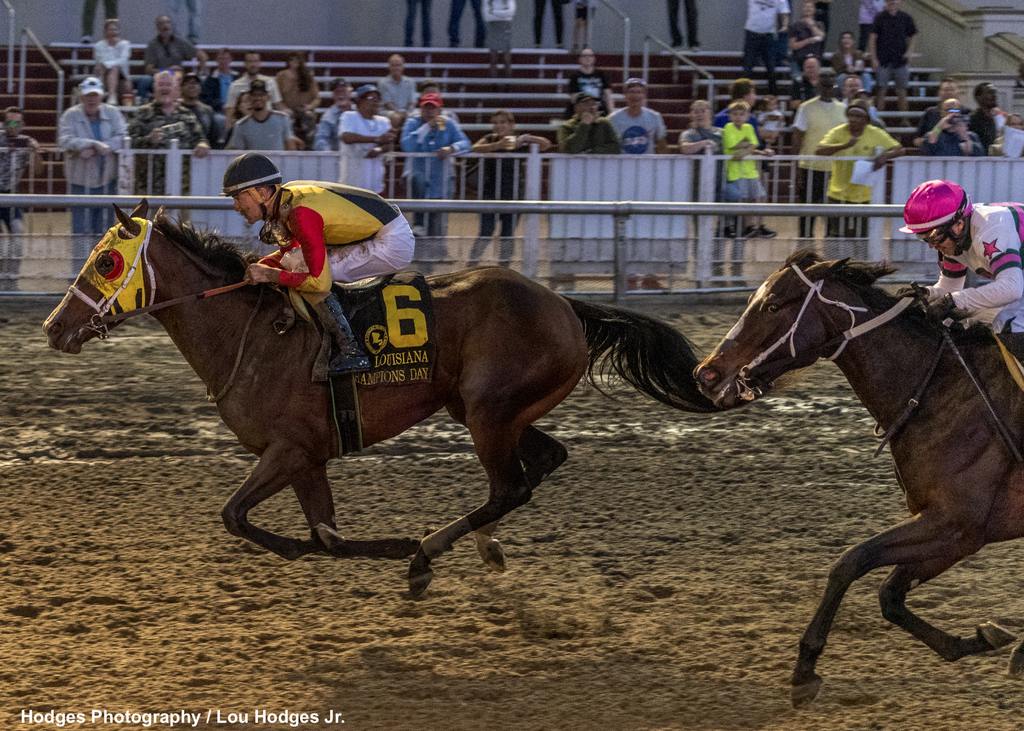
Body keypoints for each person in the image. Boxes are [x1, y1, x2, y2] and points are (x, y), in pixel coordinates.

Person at [223, 153, 416, 375]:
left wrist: (270, 275)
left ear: (263, 192)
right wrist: (265, 264)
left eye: (238, 197)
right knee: (295, 265)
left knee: (305, 275)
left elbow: (318, 282)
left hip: (391, 243)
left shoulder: (300, 213)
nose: (236, 206)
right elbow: (292, 251)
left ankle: (352, 351)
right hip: (380, 230)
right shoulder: (287, 197)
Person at [899, 179, 1024, 349]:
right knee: (966, 320)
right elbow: (951, 287)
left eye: (934, 235)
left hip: (1016, 284)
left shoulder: (992, 230)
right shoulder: (954, 241)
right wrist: (927, 293)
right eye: (923, 237)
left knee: (1009, 324)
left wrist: (952, 301)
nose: (931, 244)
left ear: (958, 224)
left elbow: (1012, 288)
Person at [467, 109, 551, 266]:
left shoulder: (518, 142)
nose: (499, 126)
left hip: (513, 194)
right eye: (496, 123)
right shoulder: (490, 138)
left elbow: (546, 144)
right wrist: (498, 145)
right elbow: (475, 148)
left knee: (507, 234)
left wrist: (528, 138)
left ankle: (504, 268)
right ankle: (471, 264)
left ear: (511, 125)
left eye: (503, 122)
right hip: (490, 193)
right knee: (486, 232)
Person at [59, 77, 127, 269]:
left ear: (101, 96)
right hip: (79, 180)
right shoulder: (70, 115)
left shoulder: (113, 113)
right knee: (80, 230)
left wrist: (102, 147)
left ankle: (102, 271)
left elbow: (123, 136)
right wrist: (90, 144)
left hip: (107, 179)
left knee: (105, 229)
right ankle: (78, 271)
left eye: (95, 95)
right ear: (81, 96)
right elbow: (64, 140)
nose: (92, 99)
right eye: (88, 96)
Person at [815, 98, 903, 238]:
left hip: (864, 194)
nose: (853, 119)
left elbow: (899, 149)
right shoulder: (838, 132)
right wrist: (844, 145)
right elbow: (819, 151)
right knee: (835, 234)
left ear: (866, 119)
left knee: (862, 235)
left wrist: (885, 156)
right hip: (838, 192)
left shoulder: (875, 133)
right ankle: (834, 260)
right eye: (851, 115)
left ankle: (860, 259)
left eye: (858, 116)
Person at [400, 92, 471, 238]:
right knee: (417, 181)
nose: (429, 111)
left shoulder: (448, 123)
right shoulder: (412, 123)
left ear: (439, 110)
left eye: (433, 108)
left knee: (436, 224)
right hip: (418, 178)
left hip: (440, 181)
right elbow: (407, 146)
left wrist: (452, 148)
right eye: (426, 107)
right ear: (420, 109)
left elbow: (466, 143)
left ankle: (434, 255)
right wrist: (426, 127)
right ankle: (418, 225)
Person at [128, 71, 210, 195]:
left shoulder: (187, 114)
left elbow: (200, 139)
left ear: (176, 89)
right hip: (148, 188)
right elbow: (129, 143)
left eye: (168, 84)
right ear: (154, 88)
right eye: (161, 84)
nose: (164, 88)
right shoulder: (142, 113)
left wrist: (203, 145)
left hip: (180, 188)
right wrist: (148, 140)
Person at [792, 69, 845, 238]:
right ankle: (805, 254)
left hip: (836, 170)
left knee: (832, 215)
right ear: (818, 85)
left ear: (835, 84)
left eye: (830, 81)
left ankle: (831, 256)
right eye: (824, 81)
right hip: (810, 167)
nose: (827, 85)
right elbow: (797, 137)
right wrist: (796, 167)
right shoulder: (805, 108)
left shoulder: (844, 109)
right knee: (807, 214)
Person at [721, 100, 774, 239]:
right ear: (730, 116)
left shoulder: (749, 127)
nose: (738, 117)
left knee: (760, 197)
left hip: (750, 171)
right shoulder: (727, 127)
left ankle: (757, 226)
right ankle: (745, 227)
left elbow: (752, 145)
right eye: (735, 114)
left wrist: (747, 149)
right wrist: (746, 146)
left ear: (747, 116)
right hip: (735, 172)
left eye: (741, 114)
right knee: (743, 201)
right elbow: (733, 145)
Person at [339, 85, 394, 194]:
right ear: (360, 101)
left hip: (375, 180)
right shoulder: (349, 116)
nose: (375, 102)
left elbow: (389, 144)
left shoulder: (383, 121)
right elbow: (346, 137)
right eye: (371, 98)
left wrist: (379, 150)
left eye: (377, 99)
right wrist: (377, 139)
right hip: (352, 182)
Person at [867, 0, 916, 113]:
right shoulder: (879, 18)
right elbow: (872, 38)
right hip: (883, 60)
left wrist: (910, 52)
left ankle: (904, 119)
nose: (892, 2)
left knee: (902, 92)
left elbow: (913, 35)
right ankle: (879, 119)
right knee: (881, 91)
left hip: (900, 60)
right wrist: (873, 58)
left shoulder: (906, 17)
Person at [0, 107, 42, 234]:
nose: (13, 126)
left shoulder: (25, 141)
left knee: (18, 232)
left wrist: (35, 152)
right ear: (4, 123)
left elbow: (38, 171)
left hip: (12, 194)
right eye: (9, 122)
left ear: (22, 124)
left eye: (16, 123)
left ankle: (13, 254)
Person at [226, 80, 296, 151]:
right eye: (254, 95)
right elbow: (237, 152)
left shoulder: (282, 119)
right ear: (249, 97)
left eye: (261, 95)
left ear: (268, 97)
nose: (258, 98)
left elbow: (291, 148)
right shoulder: (241, 125)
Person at [608, 78, 668, 154]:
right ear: (625, 95)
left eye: (639, 92)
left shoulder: (655, 117)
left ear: (644, 96)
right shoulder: (613, 118)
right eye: (631, 92)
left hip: (647, 163)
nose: (635, 95)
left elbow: (662, 145)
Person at [742, 0, 789, 97]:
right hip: (752, 33)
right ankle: (743, 97)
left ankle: (773, 100)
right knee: (747, 69)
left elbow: (784, 13)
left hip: (768, 36)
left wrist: (784, 25)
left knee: (771, 69)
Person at [225, 52, 284, 126]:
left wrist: (286, 114)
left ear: (260, 63)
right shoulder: (235, 85)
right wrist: (227, 130)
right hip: (244, 123)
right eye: (250, 61)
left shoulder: (270, 82)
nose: (253, 65)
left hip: (268, 122)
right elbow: (230, 110)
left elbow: (278, 104)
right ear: (245, 64)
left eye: (255, 61)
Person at [276, 52, 320, 149]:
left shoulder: (308, 76)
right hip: (287, 111)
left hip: (304, 110)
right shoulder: (281, 76)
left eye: (297, 59)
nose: (294, 62)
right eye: (292, 59)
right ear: (288, 62)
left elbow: (317, 98)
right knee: (285, 118)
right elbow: (276, 99)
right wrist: (284, 109)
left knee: (309, 116)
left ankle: (309, 148)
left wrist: (309, 107)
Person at [913, 77, 965, 149]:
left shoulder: (966, 112)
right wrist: (933, 136)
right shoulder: (930, 113)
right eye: (946, 90)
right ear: (939, 93)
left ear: (958, 92)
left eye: (952, 90)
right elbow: (917, 140)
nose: (949, 93)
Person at [92, 18, 131, 105]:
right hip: (104, 74)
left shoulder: (125, 44)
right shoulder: (99, 46)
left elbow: (123, 61)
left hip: (122, 76)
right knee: (107, 68)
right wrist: (107, 64)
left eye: (115, 29)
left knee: (114, 68)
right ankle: (108, 95)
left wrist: (108, 64)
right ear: (105, 31)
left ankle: (111, 95)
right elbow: (100, 61)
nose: (113, 32)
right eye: (111, 29)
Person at [566, 48, 614, 117]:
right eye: (584, 56)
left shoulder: (601, 74)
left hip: (599, 109)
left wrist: (611, 113)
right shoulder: (574, 76)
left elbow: (608, 96)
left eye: (590, 56)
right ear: (580, 59)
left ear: (594, 59)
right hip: (581, 110)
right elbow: (574, 98)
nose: (587, 58)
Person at [313, 78, 353, 152]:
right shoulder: (328, 117)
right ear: (333, 95)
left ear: (350, 92)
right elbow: (321, 140)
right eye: (337, 92)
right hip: (339, 157)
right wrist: (330, 155)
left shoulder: (360, 112)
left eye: (343, 91)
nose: (340, 95)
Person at [180, 72, 218, 146]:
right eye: (187, 83)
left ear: (200, 88)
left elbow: (213, 137)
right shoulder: (174, 109)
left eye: (195, 83)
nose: (192, 86)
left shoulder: (208, 111)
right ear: (181, 88)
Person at [968, 82, 1005, 154]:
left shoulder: (1001, 118)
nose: (994, 95)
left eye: (994, 92)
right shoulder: (972, 120)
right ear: (978, 97)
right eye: (989, 92)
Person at [789, 1, 826, 72]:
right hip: (799, 59)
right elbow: (793, 45)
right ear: (802, 9)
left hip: (815, 59)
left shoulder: (819, 24)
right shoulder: (795, 25)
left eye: (810, 7)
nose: (808, 9)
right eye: (806, 7)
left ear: (814, 10)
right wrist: (808, 41)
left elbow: (821, 37)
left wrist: (812, 26)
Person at [378, 54, 418, 119]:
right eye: (393, 65)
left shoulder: (411, 82)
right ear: (389, 67)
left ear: (403, 67)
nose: (396, 68)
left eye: (398, 65)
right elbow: (387, 103)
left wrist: (407, 113)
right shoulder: (383, 83)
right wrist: (399, 114)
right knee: (392, 115)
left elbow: (412, 102)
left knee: (416, 114)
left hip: (406, 112)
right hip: (390, 112)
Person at [483, 0, 516, 78]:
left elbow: (511, 13)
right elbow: (487, 16)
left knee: (507, 60)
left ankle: (508, 86)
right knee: (493, 59)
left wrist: (493, 12)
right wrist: (503, 13)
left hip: (506, 28)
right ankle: (494, 85)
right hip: (493, 27)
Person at [201, 48, 235, 114]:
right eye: (221, 58)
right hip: (218, 111)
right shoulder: (210, 80)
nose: (223, 61)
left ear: (231, 60)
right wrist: (221, 106)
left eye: (226, 58)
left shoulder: (237, 77)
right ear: (216, 60)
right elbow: (207, 100)